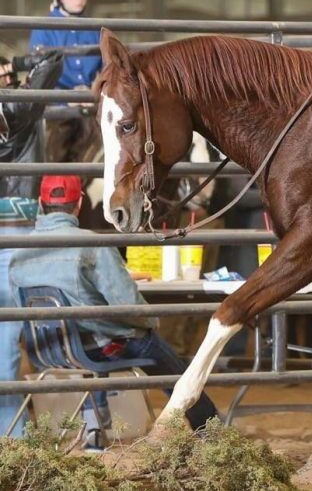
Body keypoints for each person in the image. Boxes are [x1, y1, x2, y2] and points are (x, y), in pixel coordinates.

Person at [9, 176, 218, 450]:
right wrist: (150, 322)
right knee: (150, 345)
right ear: (80, 203)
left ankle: (95, 433)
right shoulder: (91, 245)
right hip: (97, 348)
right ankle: (210, 428)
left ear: (40, 203)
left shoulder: (18, 253)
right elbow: (127, 302)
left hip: (47, 350)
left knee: (112, 339)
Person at [0, 51, 62, 437]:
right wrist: (21, 63)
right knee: (5, 337)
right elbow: (52, 63)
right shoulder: (12, 107)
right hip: (13, 224)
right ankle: (12, 435)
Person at [29, 0, 102, 164]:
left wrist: (94, 91)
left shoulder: (96, 28)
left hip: (91, 105)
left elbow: (109, 70)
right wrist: (66, 97)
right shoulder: (44, 28)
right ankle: (55, 186)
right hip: (57, 107)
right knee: (55, 147)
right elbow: (37, 78)